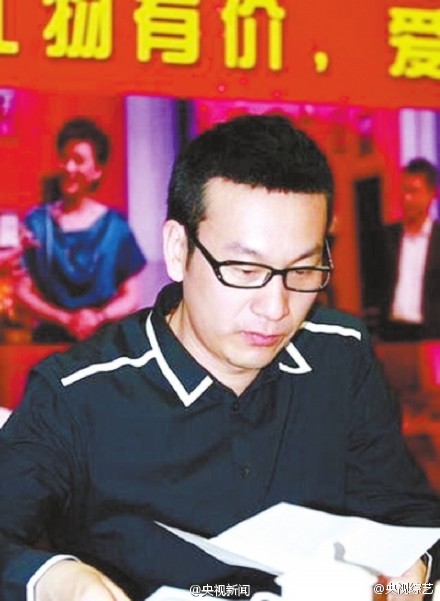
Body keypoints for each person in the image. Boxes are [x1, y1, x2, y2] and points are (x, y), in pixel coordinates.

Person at [0, 114, 439, 601]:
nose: (275, 308)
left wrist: (414, 579)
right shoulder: (76, 393)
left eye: (302, 270)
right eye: (245, 269)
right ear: (178, 250)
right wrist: (55, 580)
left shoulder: (339, 354)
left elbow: (411, 518)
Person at [15, 117, 147, 342]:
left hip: (102, 343)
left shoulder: (116, 228)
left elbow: (132, 297)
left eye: (78, 160)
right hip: (49, 342)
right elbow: (22, 291)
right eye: (64, 158)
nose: (69, 168)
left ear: (97, 170)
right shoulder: (37, 222)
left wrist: (98, 317)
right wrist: (65, 319)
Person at [379, 158, 440, 341]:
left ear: (432, 194)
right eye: (404, 190)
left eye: (414, 191)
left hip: (432, 334)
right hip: (393, 332)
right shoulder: (389, 236)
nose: (407, 198)